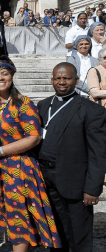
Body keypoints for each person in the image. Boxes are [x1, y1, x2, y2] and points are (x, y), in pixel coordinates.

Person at [0, 56, 61, 252]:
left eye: (5, 73)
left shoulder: (23, 103)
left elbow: (33, 138)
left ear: (12, 75)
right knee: (12, 217)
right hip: (0, 168)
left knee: (19, 219)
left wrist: (0, 151)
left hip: (20, 168)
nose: (0, 78)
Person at [37, 62, 106, 252]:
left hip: (74, 180)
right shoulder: (43, 105)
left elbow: (98, 153)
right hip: (45, 178)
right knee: (55, 231)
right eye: (57, 78)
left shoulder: (92, 110)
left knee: (79, 233)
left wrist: (93, 188)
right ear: (52, 80)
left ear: (76, 80)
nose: (61, 82)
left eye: (66, 78)